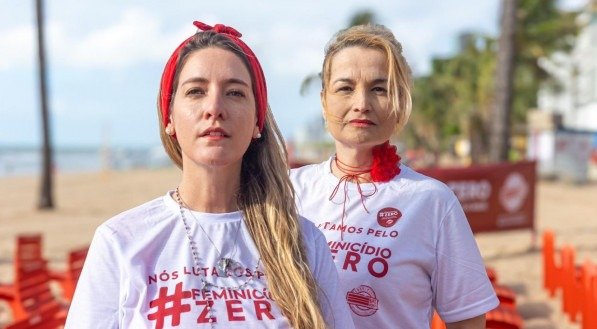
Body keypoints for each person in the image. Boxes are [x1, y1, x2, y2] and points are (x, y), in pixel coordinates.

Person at [65, 21, 354, 329]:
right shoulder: (122, 241)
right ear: (170, 118)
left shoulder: (303, 242)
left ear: (258, 121)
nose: (214, 107)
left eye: (234, 93)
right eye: (196, 91)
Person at [290, 24, 499, 328]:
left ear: (399, 100)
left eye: (379, 88)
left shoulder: (432, 202)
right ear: (324, 101)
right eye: (345, 88)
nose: (361, 103)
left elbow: (468, 319)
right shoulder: (287, 191)